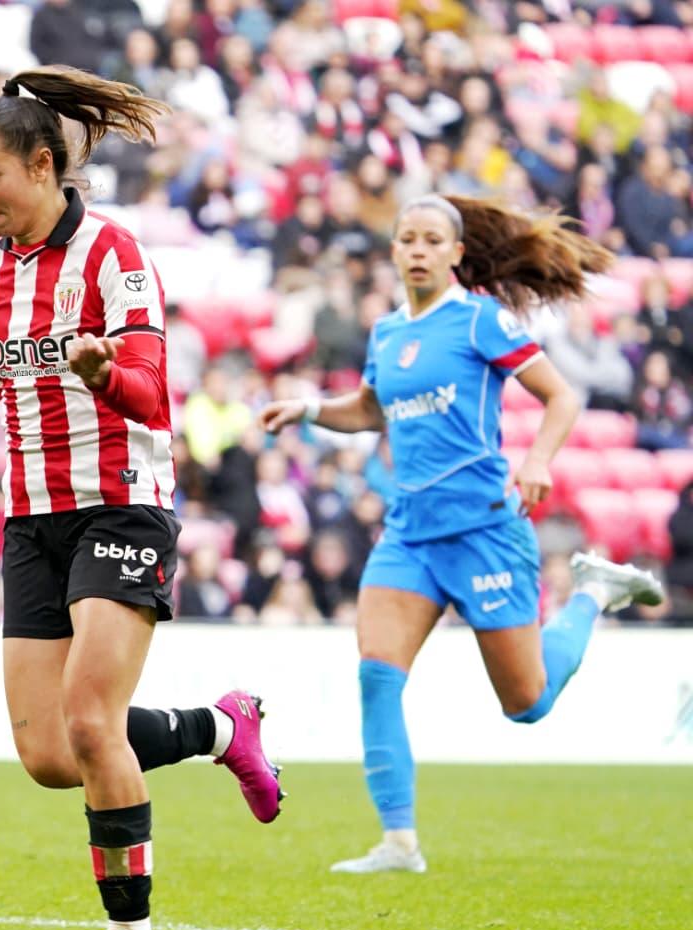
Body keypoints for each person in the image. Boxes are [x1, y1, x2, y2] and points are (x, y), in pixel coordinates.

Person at [0, 68, 283, 930]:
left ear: (43, 167)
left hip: (121, 503)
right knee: (52, 755)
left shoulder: (114, 255)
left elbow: (152, 395)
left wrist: (103, 375)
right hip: (32, 518)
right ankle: (220, 729)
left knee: (93, 722)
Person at [259, 194, 664, 875]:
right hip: (410, 537)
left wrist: (537, 461)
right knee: (377, 675)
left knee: (527, 705)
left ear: (455, 252)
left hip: (483, 531)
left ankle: (594, 592)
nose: (417, 249)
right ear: (394, 251)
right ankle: (399, 843)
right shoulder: (388, 332)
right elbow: (370, 410)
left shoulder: (481, 320)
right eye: (407, 239)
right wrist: (308, 408)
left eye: (431, 240)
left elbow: (562, 396)